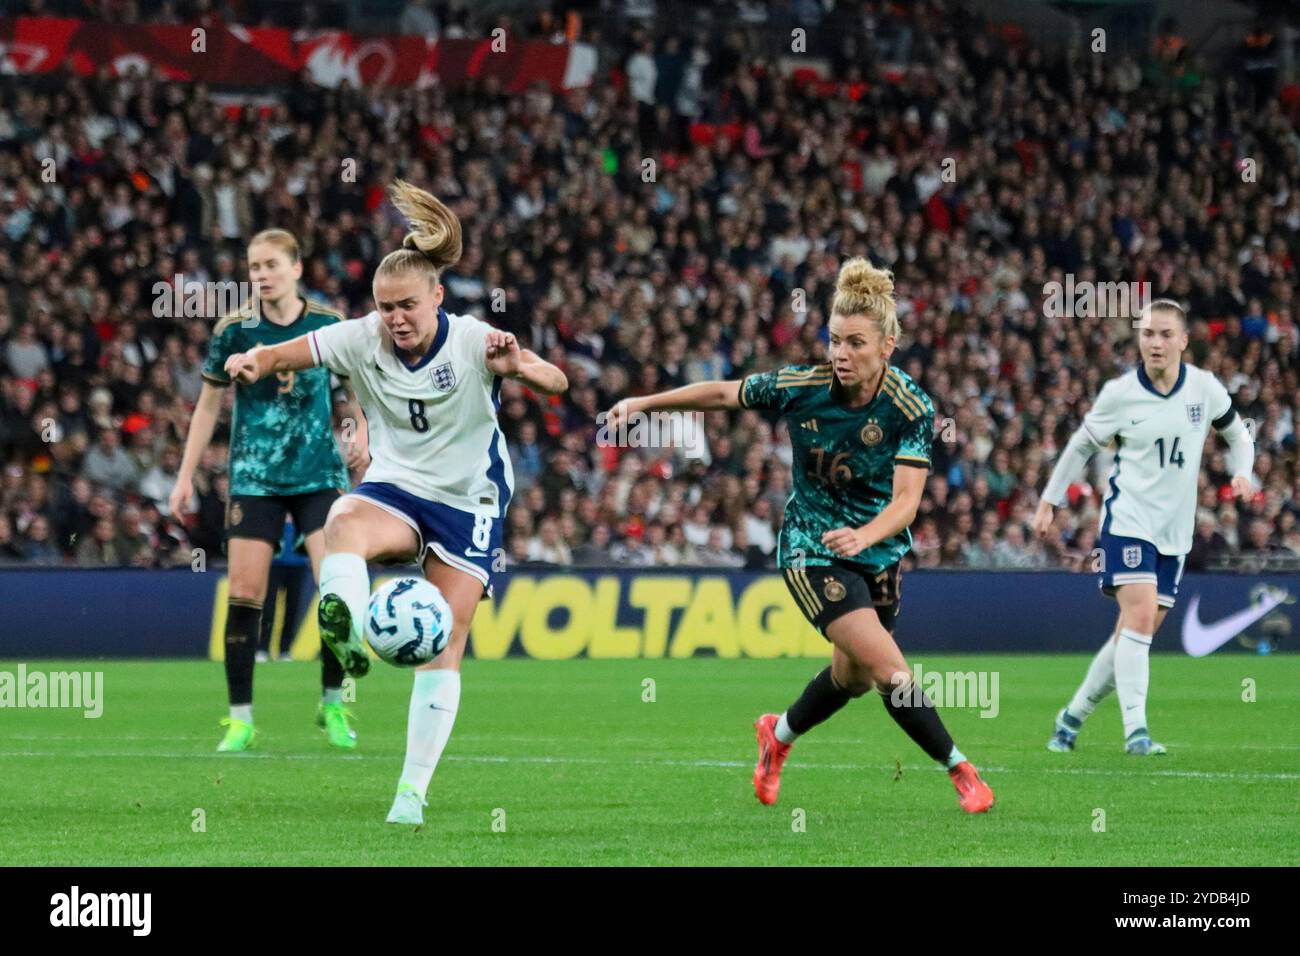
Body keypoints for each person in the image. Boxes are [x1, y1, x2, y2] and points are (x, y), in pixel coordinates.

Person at [220, 181, 568, 823]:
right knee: (343, 519)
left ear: (437, 296)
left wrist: (519, 365)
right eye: (386, 308)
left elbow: (558, 381)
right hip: (398, 487)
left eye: (407, 305)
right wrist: (257, 359)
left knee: (447, 640)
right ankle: (347, 629)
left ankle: (411, 791)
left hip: (470, 499)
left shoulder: (471, 340)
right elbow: (298, 350)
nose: (396, 318)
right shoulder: (363, 337)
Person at [605, 258, 995, 814]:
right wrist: (644, 404)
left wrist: (865, 536)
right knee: (892, 672)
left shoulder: (911, 406)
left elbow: (907, 503)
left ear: (887, 346)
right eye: (834, 340)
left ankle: (777, 736)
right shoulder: (801, 386)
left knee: (853, 678)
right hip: (811, 547)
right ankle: (962, 771)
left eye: (855, 343)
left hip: (874, 550)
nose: (840, 353)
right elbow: (722, 395)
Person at [169, 229, 369, 754]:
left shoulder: (327, 325)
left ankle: (332, 706)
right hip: (254, 477)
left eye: (271, 265)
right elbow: (208, 406)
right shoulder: (234, 330)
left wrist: (361, 435)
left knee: (337, 592)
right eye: (254, 266)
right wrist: (185, 475)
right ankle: (241, 719)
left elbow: (353, 391)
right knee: (244, 593)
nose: (261, 274)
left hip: (319, 475)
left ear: (296, 269)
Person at [1034, 300, 1255, 755]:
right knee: (1136, 620)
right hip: (1129, 520)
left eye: (1165, 334)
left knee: (1132, 637)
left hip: (1174, 532)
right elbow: (1080, 446)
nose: (1155, 342)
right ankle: (1137, 732)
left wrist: (1243, 470)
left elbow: (1237, 433)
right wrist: (1049, 500)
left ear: (1183, 341)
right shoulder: (1120, 394)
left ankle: (1069, 719)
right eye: (1148, 333)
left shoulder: (1204, 388)